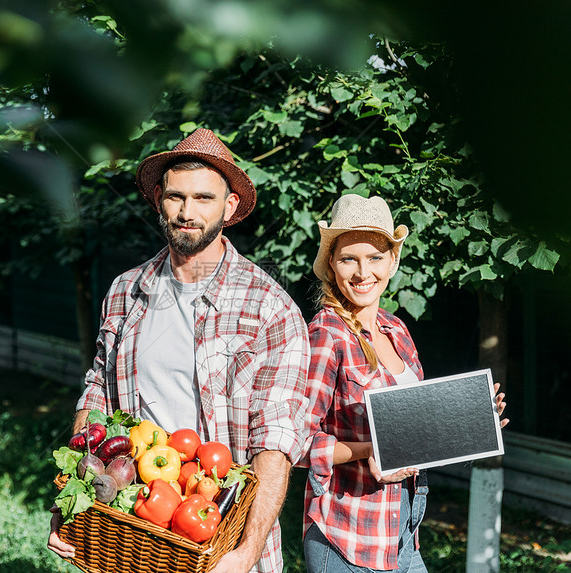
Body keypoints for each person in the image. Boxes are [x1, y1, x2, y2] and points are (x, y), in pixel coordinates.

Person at [47, 128, 310, 573]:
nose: (187, 212)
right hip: (133, 532)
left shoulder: (270, 309)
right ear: (157, 199)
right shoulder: (126, 292)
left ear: (229, 207)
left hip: (220, 540)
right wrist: (72, 501)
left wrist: (246, 553)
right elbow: (96, 398)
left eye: (204, 198)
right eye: (176, 197)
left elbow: (276, 443)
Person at [299, 194, 508, 572]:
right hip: (348, 536)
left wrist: (473, 418)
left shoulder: (396, 329)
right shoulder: (326, 334)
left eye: (375, 257)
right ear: (332, 263)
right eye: (349, 258)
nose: (363, 272)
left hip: (403, 531)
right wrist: (370, 450)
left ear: (393, 261)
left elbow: (416, 426)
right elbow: (296, 443)